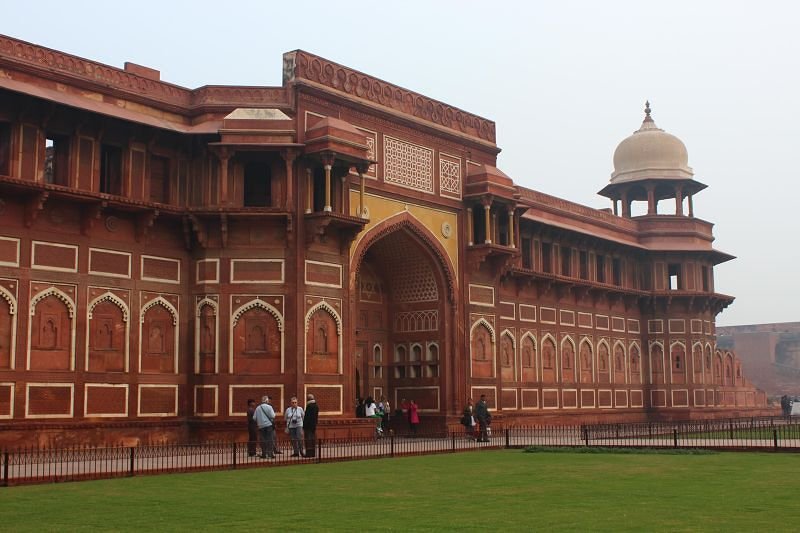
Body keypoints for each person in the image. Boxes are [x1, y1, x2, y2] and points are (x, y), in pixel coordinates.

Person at [304, 394, 319, 458]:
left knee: (308, 440)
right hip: (313, 425)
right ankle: (312, 453)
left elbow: (307, 417)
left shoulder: (309, 406)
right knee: (312, 439)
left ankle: (308, 453)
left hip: (308, 426)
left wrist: (304, 425)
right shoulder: (316, 406)